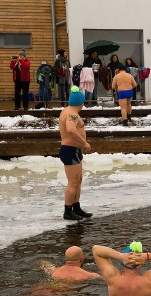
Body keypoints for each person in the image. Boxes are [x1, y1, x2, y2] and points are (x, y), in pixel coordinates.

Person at [59, 86, 92, 220]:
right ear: (81, 103)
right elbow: (71, 129)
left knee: (78, 181)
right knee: (73, 182)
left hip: (74, 150)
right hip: (70, 150)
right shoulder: (71, 114)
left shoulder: (67, 111)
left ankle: (76, 207)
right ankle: (68, 211)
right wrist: (84, 143)